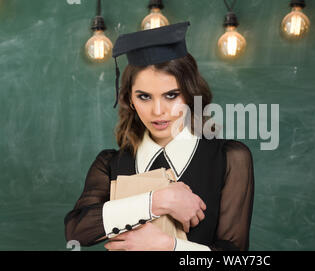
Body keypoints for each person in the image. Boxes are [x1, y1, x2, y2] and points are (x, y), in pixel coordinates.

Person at [64, 22, 254, 251]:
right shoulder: (111, 163)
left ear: (190, 94)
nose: (158, 111)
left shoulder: (229, 159)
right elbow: (77, 230)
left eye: (171, 95)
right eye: (144, 97)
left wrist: (169, 247)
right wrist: (159, 201)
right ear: (130, 100)